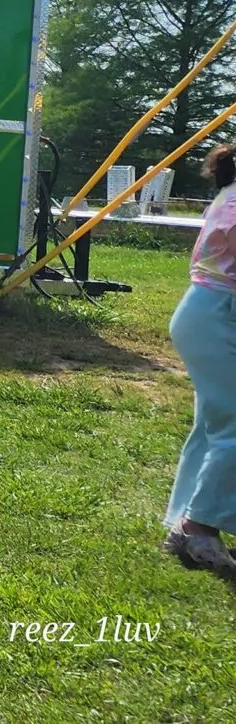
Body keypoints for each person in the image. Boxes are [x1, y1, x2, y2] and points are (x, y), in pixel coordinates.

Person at [163, 145, 236, 574]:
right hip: (217, 313)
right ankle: (199, 528)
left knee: (214, 425)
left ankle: (184, 522)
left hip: (209, 312)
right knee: (232, 424)